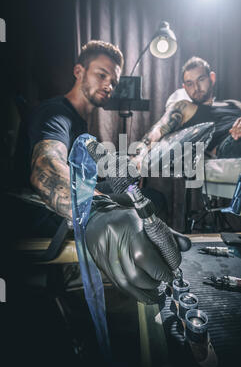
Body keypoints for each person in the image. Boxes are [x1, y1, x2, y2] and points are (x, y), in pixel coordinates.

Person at [21, 40, 183, 305]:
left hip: (65, 205)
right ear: (78, 71)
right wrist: (99, 209)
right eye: (101, 75)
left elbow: (91, 171)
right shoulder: (55, 113)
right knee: (150, 201)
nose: (109, 85)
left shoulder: (79, 122)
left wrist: (125, 168)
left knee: (149, 196)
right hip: (41, 210)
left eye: (114, 81)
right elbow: (45, 168)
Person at [132, 56, 241, 163]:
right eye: (189, 83)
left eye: (200, 79)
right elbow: (159, 128)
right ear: (184, 87)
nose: (195, 87)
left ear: (212, 78)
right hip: (230, 143)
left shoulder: (233, 103)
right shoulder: (185, 107)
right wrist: (138, 156)